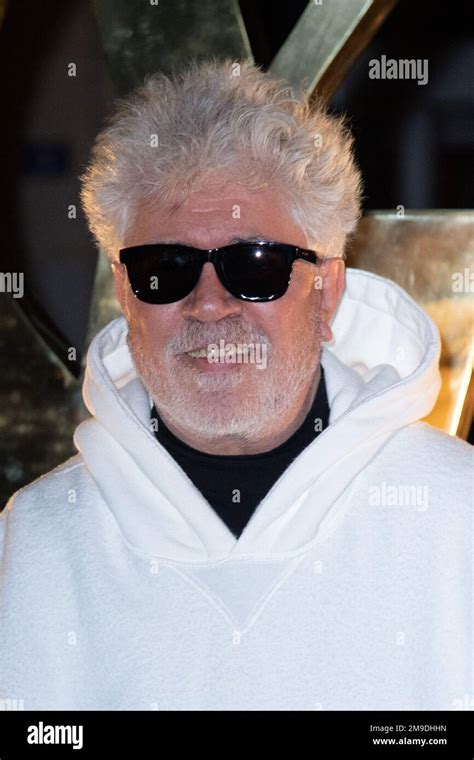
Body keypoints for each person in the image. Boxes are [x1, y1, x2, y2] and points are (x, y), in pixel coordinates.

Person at [1, 58, 472, 711]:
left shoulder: (457, 515)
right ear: (124, 293)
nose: (211, 304)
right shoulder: (41, 539)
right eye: (166, 269)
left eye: (256, 265)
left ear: (327, 291)